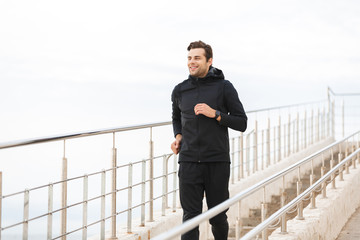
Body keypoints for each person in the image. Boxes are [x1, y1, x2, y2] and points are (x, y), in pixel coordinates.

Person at [171, 40, 247, 240]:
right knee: (190, 218)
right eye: (189, 58)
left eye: (197, 58)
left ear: (209, 61)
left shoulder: (224, 87)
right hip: (188, 161)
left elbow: (242, 122)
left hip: (216, 161)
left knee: (218, 217)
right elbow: (176, 118)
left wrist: (216, 114)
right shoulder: (180, 90)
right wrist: (178, 137)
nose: (191, 62)